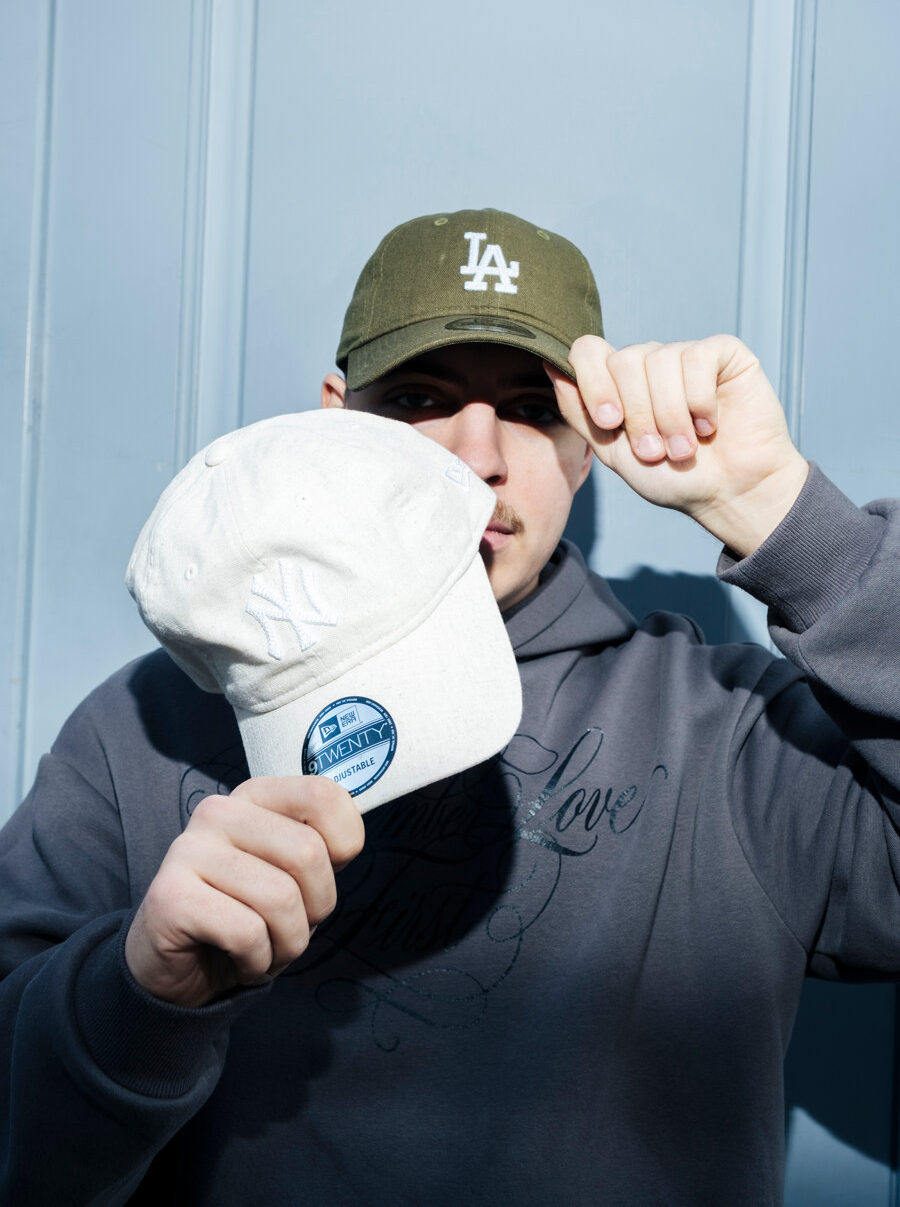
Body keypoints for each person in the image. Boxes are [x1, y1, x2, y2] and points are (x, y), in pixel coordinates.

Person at [0, 206, 897, 1206]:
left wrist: (787, 516)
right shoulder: (139, 732)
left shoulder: (733, 735)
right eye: (419, 398)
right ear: (337, 419)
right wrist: (137, 997)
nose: (477, 456)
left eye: (532, 407)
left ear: (589, 447)